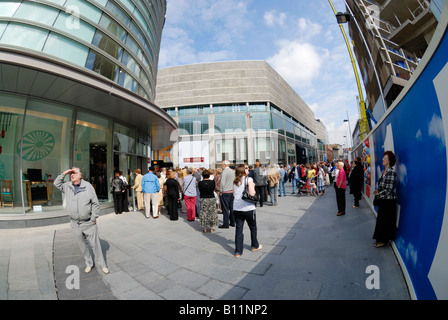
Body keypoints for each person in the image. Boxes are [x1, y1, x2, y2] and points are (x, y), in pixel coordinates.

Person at [54, 168, 109, 274]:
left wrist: (93, 218)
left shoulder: (88, 186)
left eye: (74, 173)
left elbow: (95, 203)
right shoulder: (67, 186)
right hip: (75, 223)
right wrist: (65, 173)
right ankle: (89, 264)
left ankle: (103, 265)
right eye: (71, 174)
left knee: (96, 245)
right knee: (82, 246)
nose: (72, 175)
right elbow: (56, 183)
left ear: (80, 175)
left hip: (88, 222)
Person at [233, 164, 262, 258]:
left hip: (237, 208)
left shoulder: (235, 181)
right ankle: (254, 245)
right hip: (248, 208)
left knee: (239, 230)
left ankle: (238, 251)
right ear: (243, 171)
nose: (248, 169)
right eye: (246, 168)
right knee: (253, 227)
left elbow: (234, 194)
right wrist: (253, 185)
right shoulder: (248, 179)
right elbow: (252, 193)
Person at [373, 151, 398, 248]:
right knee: (381, 221)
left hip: (388, 202)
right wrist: (377, 192)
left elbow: (389, 189)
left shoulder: (391, 172)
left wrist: (379, 193)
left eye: (385, 158)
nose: (383, 159)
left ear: (389, 161)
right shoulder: (384, 171)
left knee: (385, 222)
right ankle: (380, 239)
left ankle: (383, 241)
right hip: (383, 200)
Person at [219, 160, 235, 228]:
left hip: (225, 191)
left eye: (222, 164)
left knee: (225, 208)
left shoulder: (224, 172)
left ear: (225, 165)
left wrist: (220, 191)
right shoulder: (232, 171)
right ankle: (232, 222)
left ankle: (226, 224)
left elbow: (222, 182)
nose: (221, 165)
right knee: (231, 208)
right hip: (231, 191)